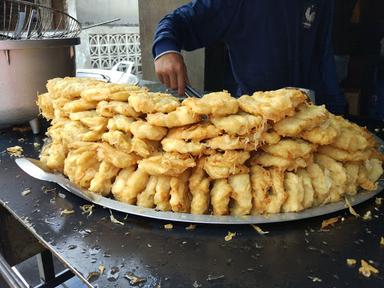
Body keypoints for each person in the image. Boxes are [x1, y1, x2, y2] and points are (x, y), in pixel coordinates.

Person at [153, 0, 347, 115]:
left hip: (309, 115)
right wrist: (165, 49)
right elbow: (180, 21)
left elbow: (323, 56)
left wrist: (339, 111)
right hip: (253, 120)